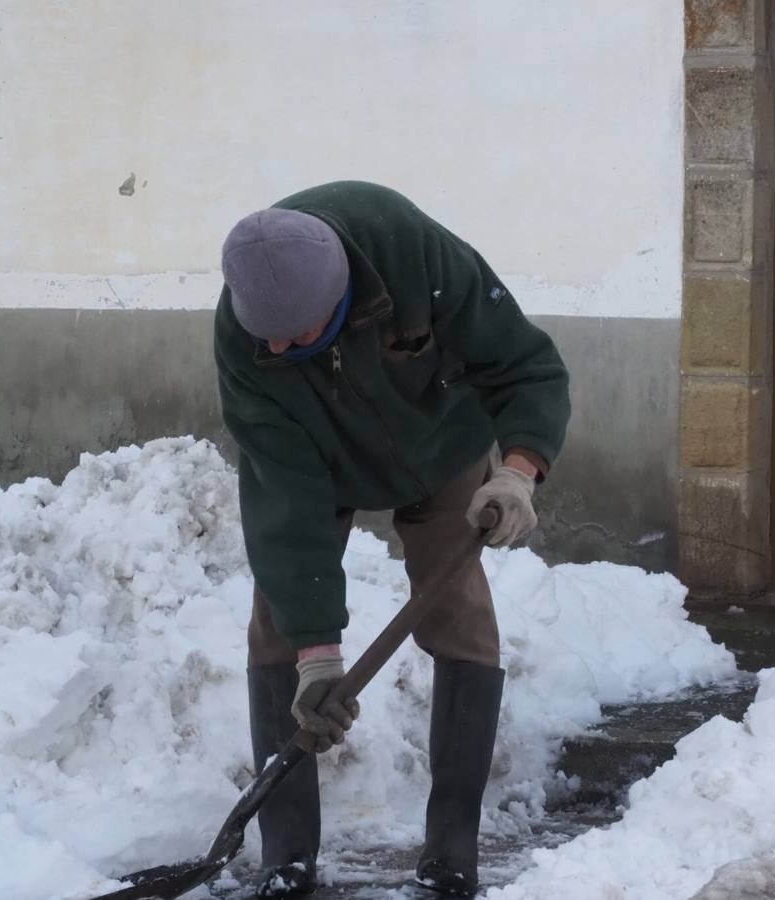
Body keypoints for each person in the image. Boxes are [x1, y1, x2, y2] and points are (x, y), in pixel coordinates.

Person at [213, 181, 571, 897]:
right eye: (267, 338)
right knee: (279, 625)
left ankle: (450, 853)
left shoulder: (415, 254)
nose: (277, 347)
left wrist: (517, 473)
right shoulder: (249, 338)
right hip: (317, 462)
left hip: (442, 447)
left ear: (338, 297)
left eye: (295, 335)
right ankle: (285, 857)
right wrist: (318, 653)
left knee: (459, 617)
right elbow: (284, 502)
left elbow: (525, 365)